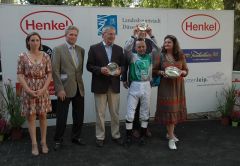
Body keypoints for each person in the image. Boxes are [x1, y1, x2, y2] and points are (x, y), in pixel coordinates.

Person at [86, 25, 124, 147]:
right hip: (100, 85)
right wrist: (100, 69)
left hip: (114, 85)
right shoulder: (94, 48)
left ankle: (116, 134)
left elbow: (123, 65)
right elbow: (89, 66)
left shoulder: (119, 49)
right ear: (103, 35)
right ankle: (100, 137)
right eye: (109, 34)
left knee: (115, 113)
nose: (112, 36)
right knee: (100, 114)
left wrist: (120, 71)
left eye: (113, 34)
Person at [17, 32, 52, 156]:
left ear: (40, 42)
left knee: (43, 116)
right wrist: (28, 90)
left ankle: (43, 142)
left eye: (37, 40)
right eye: (32, 40)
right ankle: (34, 144)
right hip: (28, 90)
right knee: (31, 117)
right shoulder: (22, 56)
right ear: (28, 42)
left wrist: (43, 89)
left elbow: (49, 74)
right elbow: (20, 74)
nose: (35, 42)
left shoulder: (46, 56)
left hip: (43, 90)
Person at [52, 25, 85, 151]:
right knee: (62, 117)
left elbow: (79, 71)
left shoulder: (81, 50)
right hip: (64, 89)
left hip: (79, 87)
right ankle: (58, 140)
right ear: (65, 35)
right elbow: (55, 71)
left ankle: (76, 137)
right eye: (71, 34)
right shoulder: (58, 49)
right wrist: (59, 88)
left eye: (75, 35)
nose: (73, 37)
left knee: (79, 116)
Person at [153, 35, 188, 150]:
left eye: (169, 42)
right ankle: (171, 138)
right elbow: (154, 70)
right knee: (170, 110)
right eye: (165, 42)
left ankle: (169, 133)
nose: (166, 44)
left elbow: (186, 70)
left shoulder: (181, 55)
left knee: (175, 110)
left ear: (174, 44)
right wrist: (161, 73)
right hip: (165, 87)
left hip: (178, 87)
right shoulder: (160, 55)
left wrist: (182, 72)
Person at [122, 25, 157, 138]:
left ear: (146, 47)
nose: (141, 48)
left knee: (145, 111)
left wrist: (151, 35)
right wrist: (133, 35)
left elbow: (158, 49)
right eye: (139, 47)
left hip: (146, 85)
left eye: (143, 47)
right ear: (135, 48)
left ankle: (143, 132)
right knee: (131, 111)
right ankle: (130, 134)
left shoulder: (150, 56)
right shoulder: (132, 56)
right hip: (135, 85)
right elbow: (126, 48)